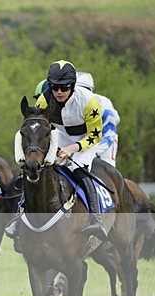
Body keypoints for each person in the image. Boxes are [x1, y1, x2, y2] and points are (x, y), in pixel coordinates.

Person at [35, 60, 107, 240]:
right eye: (55, 87)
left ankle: (96, 219)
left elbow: (95, 135)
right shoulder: (44, 99)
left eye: (64, 88)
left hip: (85, 140)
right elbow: (42, 127)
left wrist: (73, 148)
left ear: (73, 85)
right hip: (59, 135)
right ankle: (20, 215)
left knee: (78, 169)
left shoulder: (90, 102)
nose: (59, 92)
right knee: (36, 166)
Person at [76, 71, 120, 168]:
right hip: (87, 136)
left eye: (83, 90)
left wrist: (94, 152)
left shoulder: (103, 105)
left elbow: (109, 133)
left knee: (108, 168)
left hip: (107, 135)